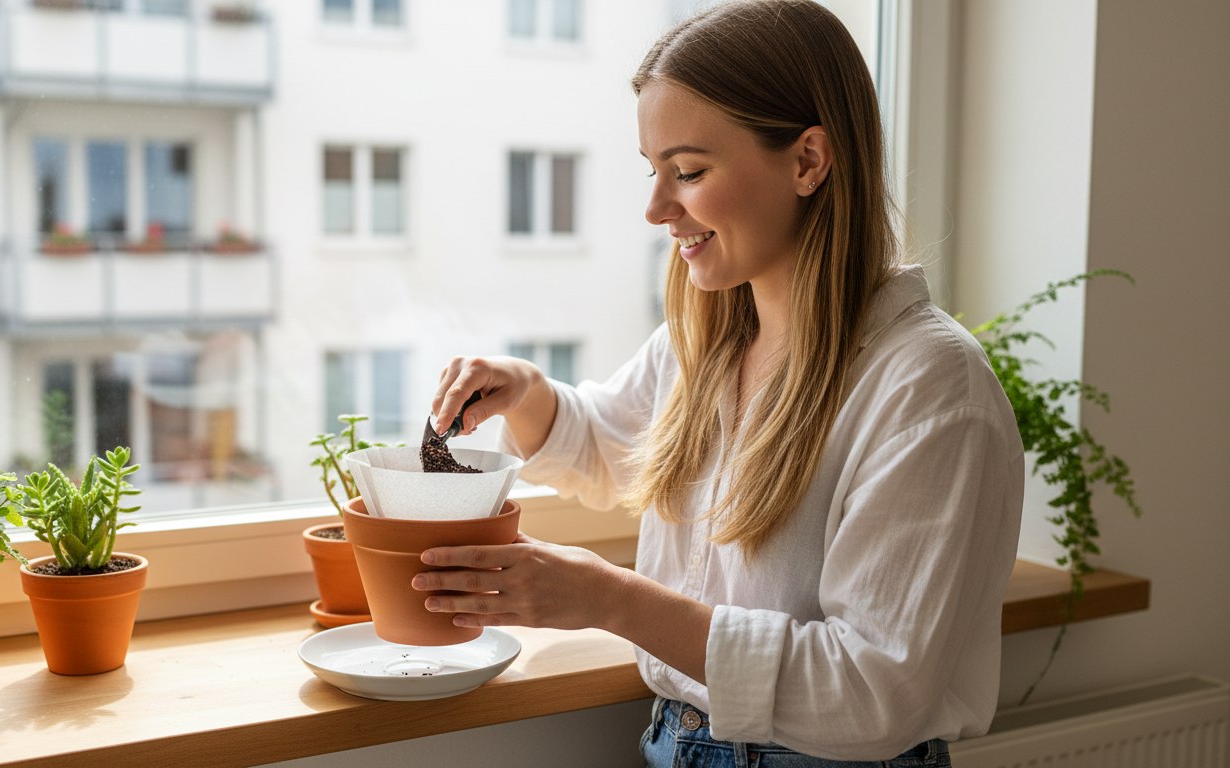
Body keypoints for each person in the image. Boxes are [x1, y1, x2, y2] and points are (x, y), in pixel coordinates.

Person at [415, 1, 1024, 765]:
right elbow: (613, 447)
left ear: (808, 161)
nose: (656, 208)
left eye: (689, 171)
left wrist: (608, 597)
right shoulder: (701, 343)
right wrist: (527, 392)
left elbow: (872, 693)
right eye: (652, 171)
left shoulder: (928, 388)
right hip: (676, 741)